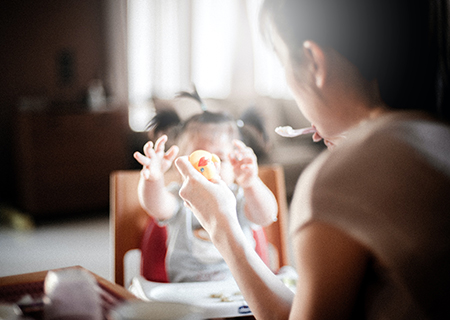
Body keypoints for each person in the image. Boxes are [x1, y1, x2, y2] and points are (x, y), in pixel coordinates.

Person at [174, 0, 450, 318]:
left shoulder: (335, 180)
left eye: (281, 61)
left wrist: (221, 224)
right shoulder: (437, 135)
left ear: (313, 61)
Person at [133, 93, 278, 283]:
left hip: (241, 290)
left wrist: (251, 183)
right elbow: (155, 205)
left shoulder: (239, 197)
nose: (209, 168)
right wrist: (153, 179)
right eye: (198, 159)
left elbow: (266, 216)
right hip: (188, 292)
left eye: (220, 159)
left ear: (235, 164)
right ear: (180, 163)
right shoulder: (181, 196)